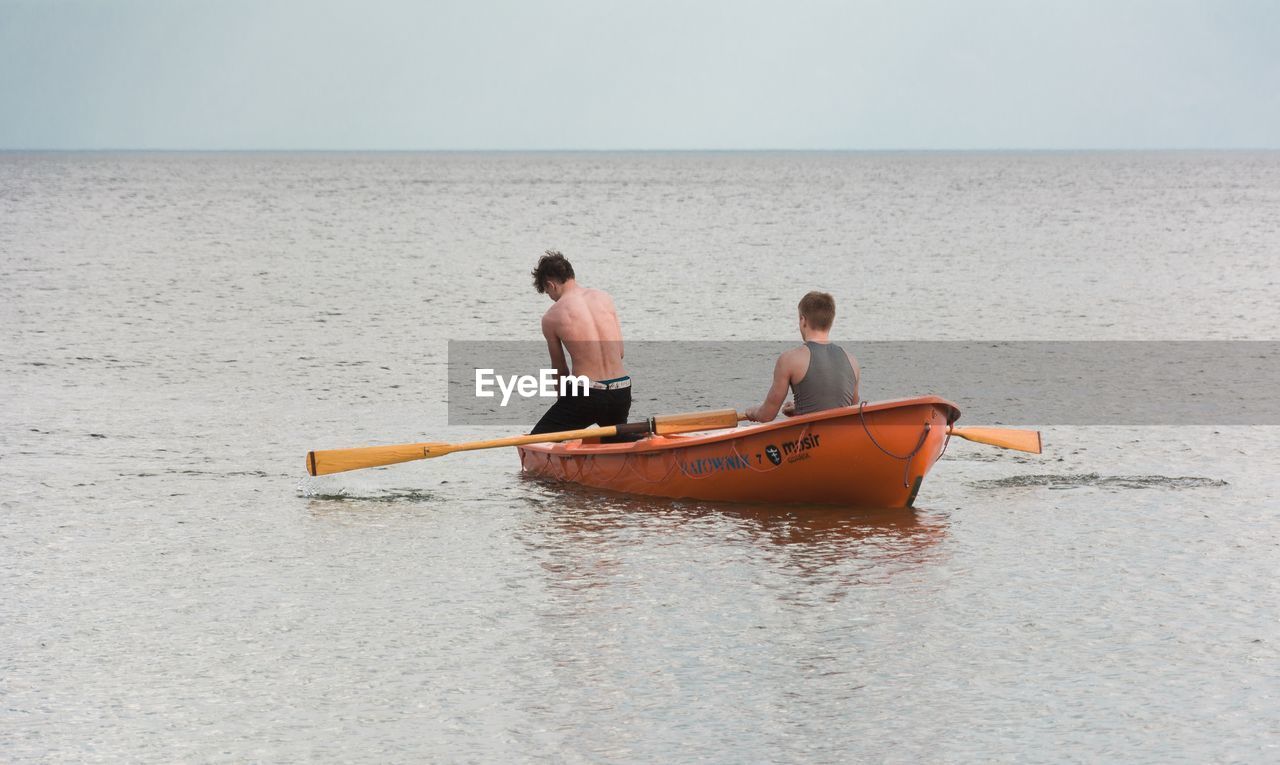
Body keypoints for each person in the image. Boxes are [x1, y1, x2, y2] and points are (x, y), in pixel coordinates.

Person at [529, 250, 632, 435]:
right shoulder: (605, 298)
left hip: (587, 395)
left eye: (547, 292)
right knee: (615, 441)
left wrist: (564, 408)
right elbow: (620, 352)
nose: (551, 297)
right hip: (621, 390)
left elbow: (560, 370)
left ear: (550, 285)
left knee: (537, 441)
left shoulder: (551, 317)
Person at [743, 291, 860, 422]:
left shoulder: (789, 360)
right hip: (840, 436)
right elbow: (851, 410)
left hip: (808, 439)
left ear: (803, 320)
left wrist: (752, 412)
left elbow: (766, 415)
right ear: (831, 322)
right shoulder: (852, 361)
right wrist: (799, 409)